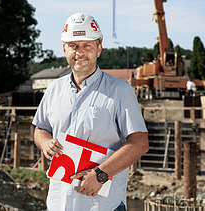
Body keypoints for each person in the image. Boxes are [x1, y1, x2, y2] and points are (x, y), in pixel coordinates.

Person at [32, 13, 149, 211]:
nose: (80, 52)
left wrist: (100, 174)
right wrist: (45, 142)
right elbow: (40, 128)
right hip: (59, 202)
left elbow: (139, 143)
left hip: (104, 205)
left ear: (99, 49)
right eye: (74, 46)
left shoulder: (120, 91)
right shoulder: (54, 89)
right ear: (64, 49)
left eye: (87, 45)